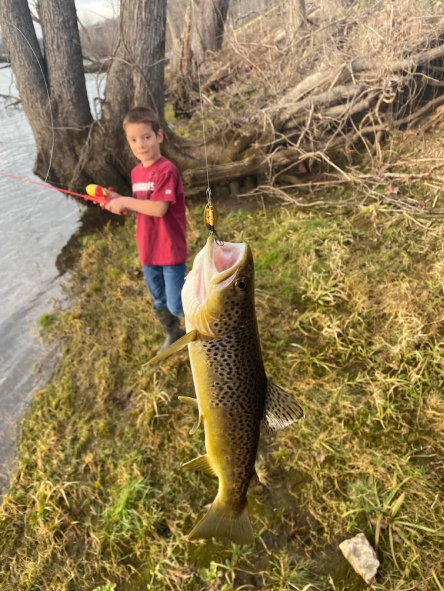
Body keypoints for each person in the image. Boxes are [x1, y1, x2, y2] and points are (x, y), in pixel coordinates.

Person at [104, 106, 187, 354]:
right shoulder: (136, 172)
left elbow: (159, 208)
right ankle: (174, 334)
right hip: (148, 249)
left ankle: (211, 329)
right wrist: (117, 199)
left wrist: (126, 202)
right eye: (133, 139)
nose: (141, 144)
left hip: (169, 250)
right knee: (159, 300)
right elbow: (142, 206)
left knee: (177, 304)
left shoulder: (166, 170)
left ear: (159, 136)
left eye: (146, 137)